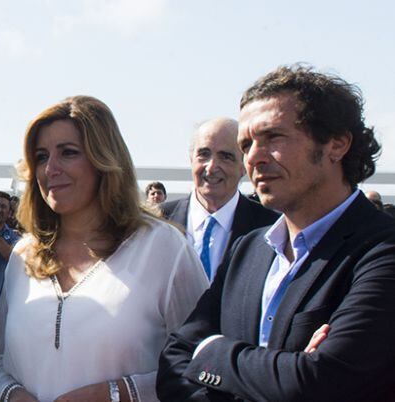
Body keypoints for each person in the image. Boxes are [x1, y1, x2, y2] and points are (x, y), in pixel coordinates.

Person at [158, 65, 395, 401]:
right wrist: (280, 370)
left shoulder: (382, 251)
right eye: (247, 144)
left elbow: (317, 384)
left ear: (337, 144)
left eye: (272, 138)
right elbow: (173, 363)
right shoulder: (249, 250)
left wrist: (211, 351)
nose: (253, 157)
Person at [0, 96, 208, 402]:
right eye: (40, 156)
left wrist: (121, 394)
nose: (50, 168)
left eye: (68, 153)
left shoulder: (164, 249)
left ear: (103, 159)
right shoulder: (24, 255)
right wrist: (11, 394)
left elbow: (204, 366)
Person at [160, 118, 277, 282]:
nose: (212, 167)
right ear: (191, 160)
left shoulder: (272, 228)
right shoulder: (157, 221)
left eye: (225, 157)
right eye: (204, 154)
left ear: (244, 167)